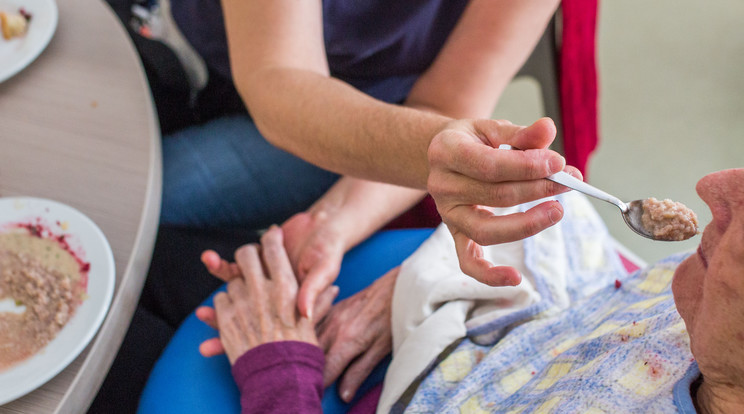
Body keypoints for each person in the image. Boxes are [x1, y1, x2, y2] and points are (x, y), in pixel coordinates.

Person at [192, 168, 744, 413]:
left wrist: (278, 378)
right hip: (470, 344)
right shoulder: (705, 295)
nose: (710, 185)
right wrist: (428, 284)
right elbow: (618, 286)